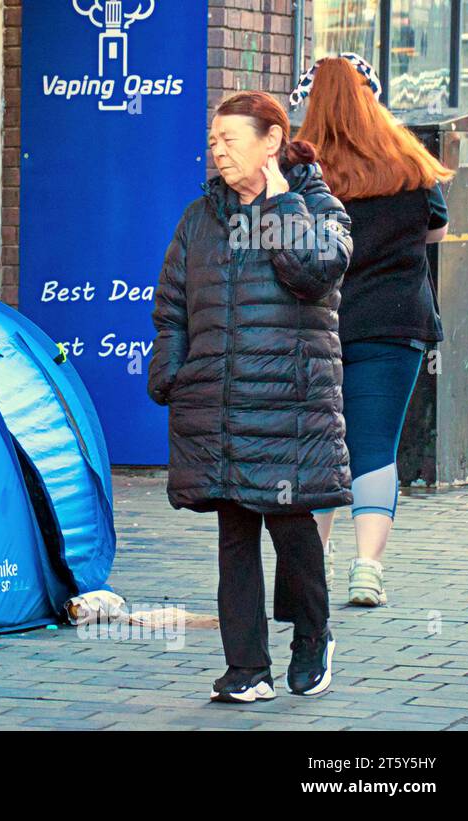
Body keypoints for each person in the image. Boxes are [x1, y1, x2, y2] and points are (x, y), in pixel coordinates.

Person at [148, 91, 353, 703]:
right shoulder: (199, 218)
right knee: (235, 535)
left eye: (230, 139)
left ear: (271, 142)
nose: (217, 150)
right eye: (213, 140)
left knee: (291, 529)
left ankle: (313, 639)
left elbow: (313, 273)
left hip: (289, 407)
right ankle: (246, 669)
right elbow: (172, 308)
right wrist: (172, 370)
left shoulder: (317, 208)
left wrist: (278, 202)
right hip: (217, 405)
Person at [293, 55, 455, 607]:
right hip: (395, 324)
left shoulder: (298, 167)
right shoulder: (408, 159)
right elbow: (435, 231)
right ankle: (368, 569)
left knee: (318, 448)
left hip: (318, 325)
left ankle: (314, 566)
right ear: (373, 97)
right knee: (375, 448)